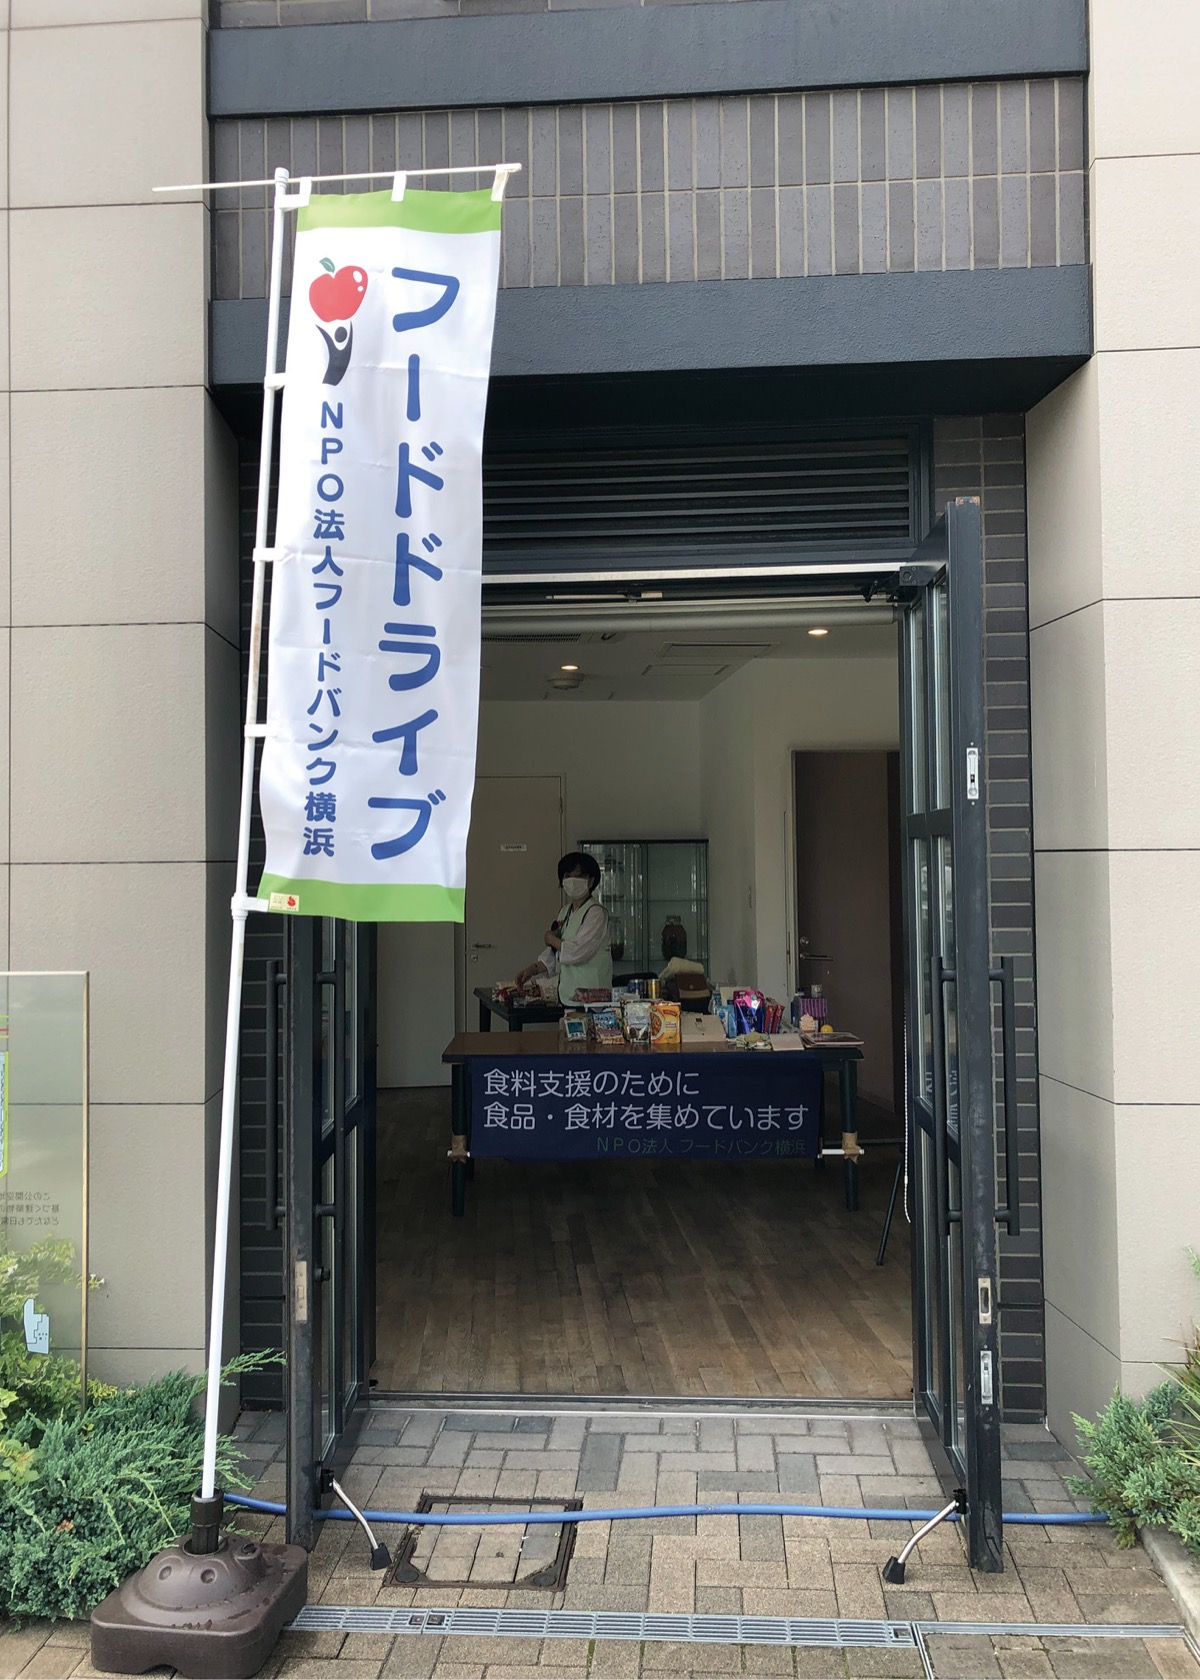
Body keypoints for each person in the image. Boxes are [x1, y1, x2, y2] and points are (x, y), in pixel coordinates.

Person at [515, 852, 613, 1003]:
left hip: (593, 998)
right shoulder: (565, 912)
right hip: (568, 996)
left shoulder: (596, 913)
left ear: (590, 881)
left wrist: (550, 939)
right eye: (567, 875)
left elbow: (577, 952)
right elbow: (556, 954)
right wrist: (533, 969)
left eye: (579, 876)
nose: (572, 881)